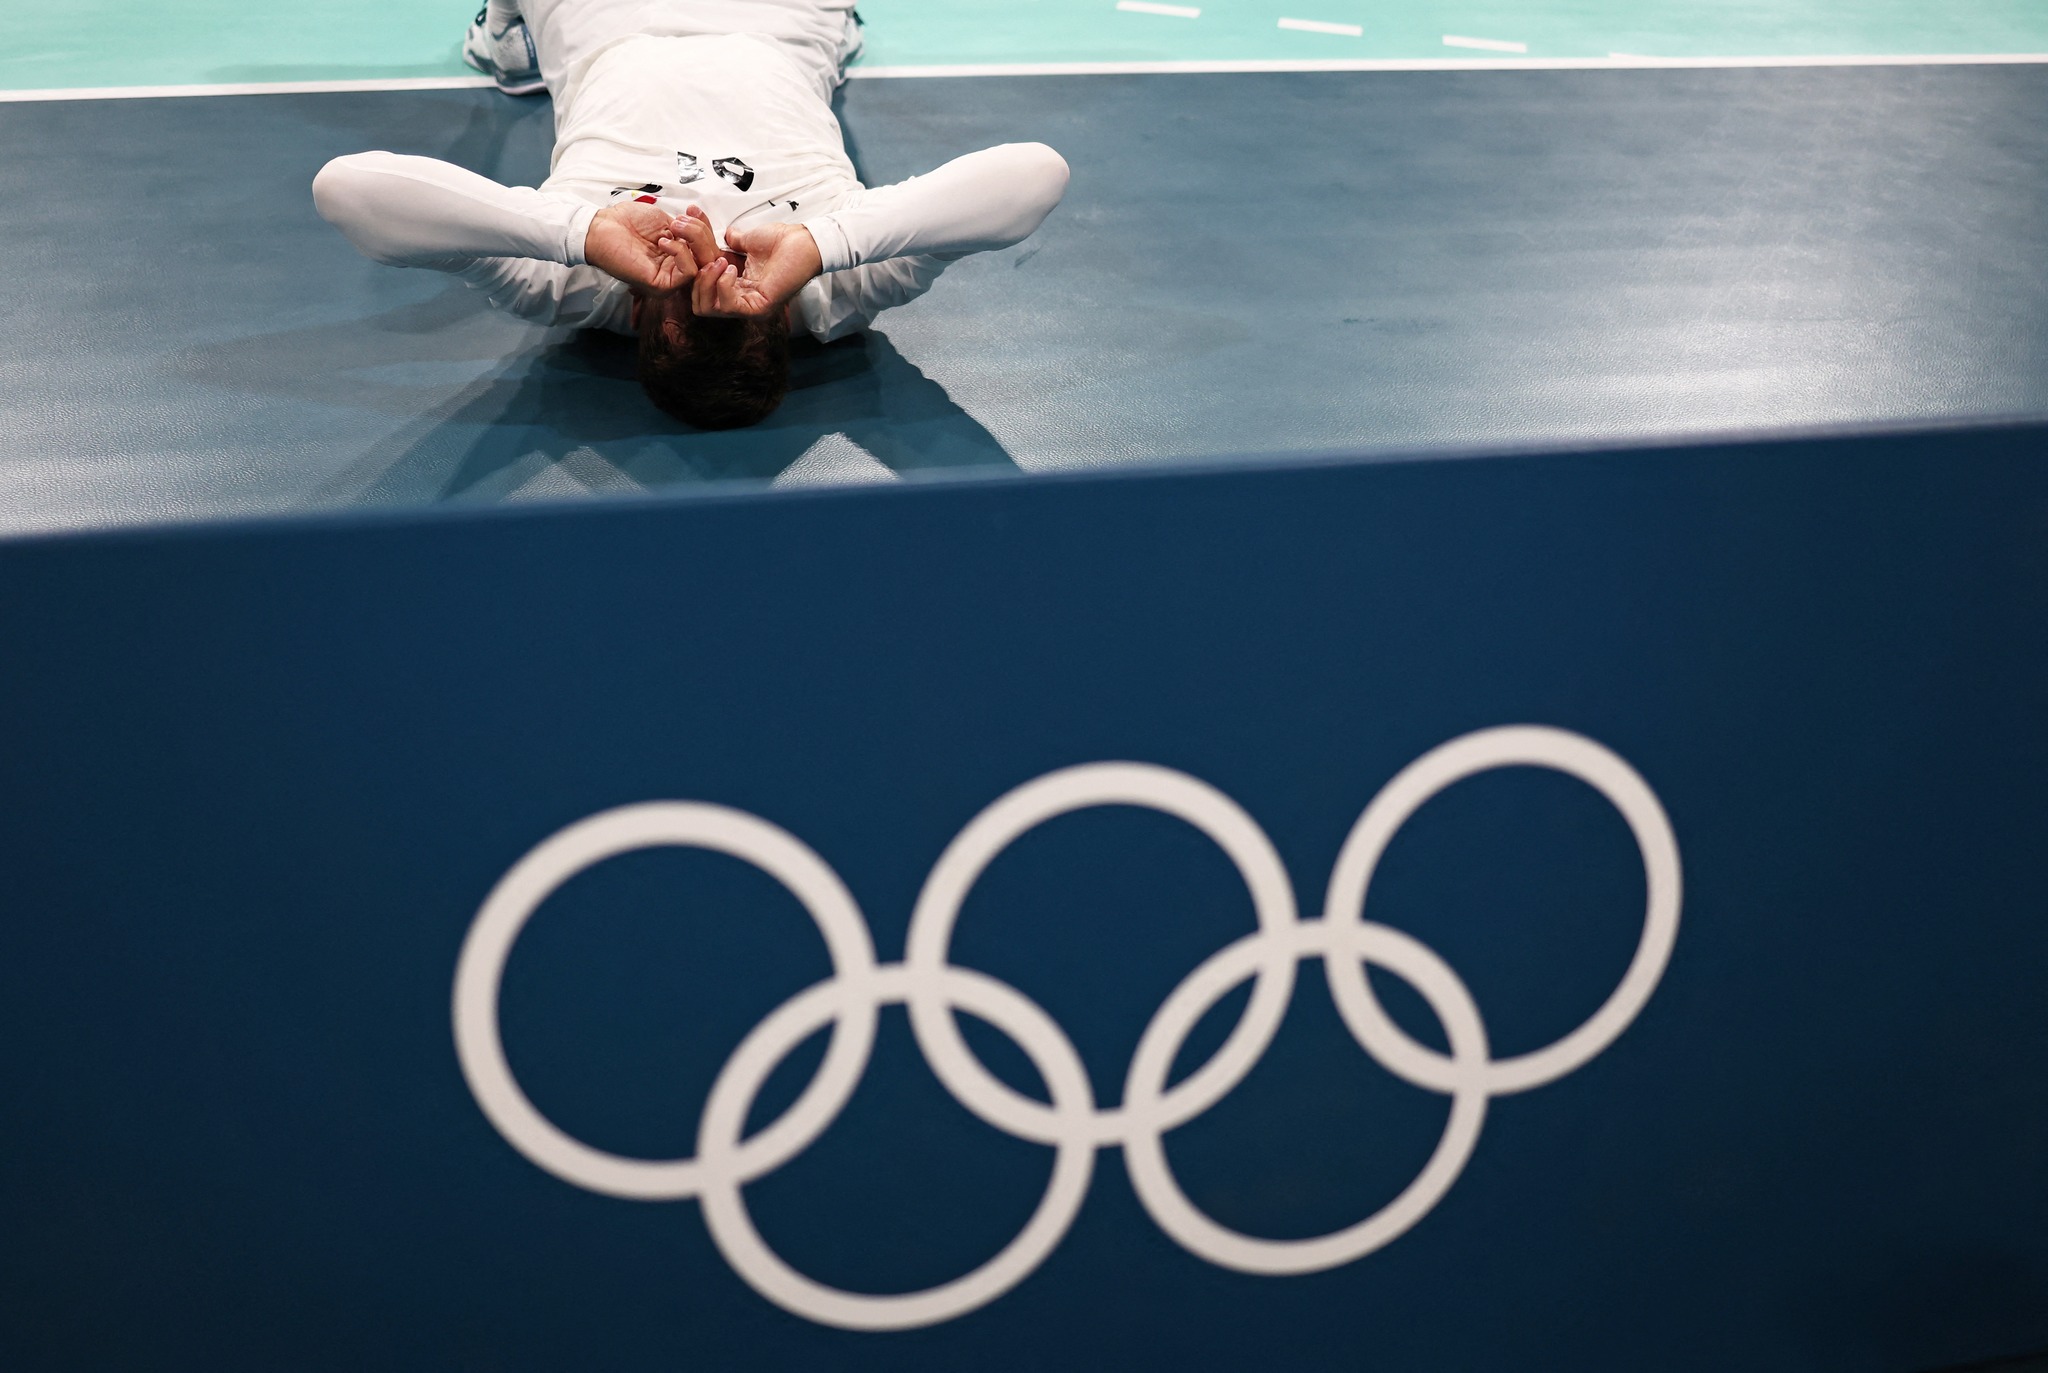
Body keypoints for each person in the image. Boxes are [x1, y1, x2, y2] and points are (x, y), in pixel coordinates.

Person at [313, 0, 1069, 429]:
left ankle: (505, 35)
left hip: (604, 24)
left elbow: (349, 187)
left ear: (635, 319)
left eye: (676, 292)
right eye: (734, 285)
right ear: (778, 312)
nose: (702, 244)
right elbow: (1036, 172)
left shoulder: (569, 287)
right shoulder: (838, 292)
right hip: (779, 24)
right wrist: (820, 243)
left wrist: (580, 232)